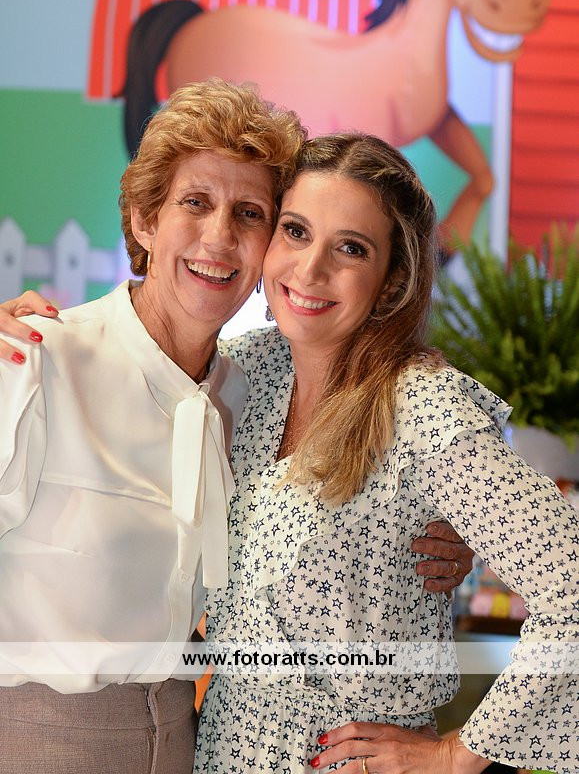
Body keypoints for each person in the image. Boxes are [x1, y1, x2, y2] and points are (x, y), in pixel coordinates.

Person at [0, 88, 471, 773]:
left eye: (250, 214)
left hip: (189, 743)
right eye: (195, 202)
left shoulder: (251, 388)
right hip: (35, 740)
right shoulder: (35, 362)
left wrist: (438, 526)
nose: (220, 237)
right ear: (143, 220)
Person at [190, 134, 576, 773]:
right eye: (295, 231)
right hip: (223, 751)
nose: (310, 270)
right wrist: (37, 334)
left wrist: (456, 756)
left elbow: (572, 588)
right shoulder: (244, 371)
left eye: (351, 248)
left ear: (393, 279)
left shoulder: (424, 407)